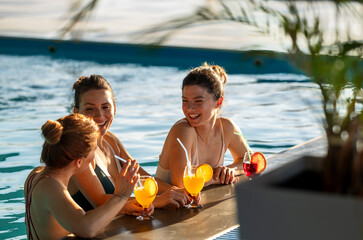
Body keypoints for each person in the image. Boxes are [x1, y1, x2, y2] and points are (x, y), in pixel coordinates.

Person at [68, 75, 190, 213]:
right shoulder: (78, 152)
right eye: (90, 109)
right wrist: (158, 201)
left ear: (114, 108)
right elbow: (99, 201)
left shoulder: (110, 141)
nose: (100, 115)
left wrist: (178, 192)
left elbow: (143, 178)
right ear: (76, 112)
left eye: (105, 107)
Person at [24, 114, 141, 239]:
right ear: (79, 162)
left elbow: (68, 219)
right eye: (94, 150)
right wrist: (120, 196)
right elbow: (87, 228)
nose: (95, 156)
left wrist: (123, 207)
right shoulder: (50, 186)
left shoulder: (36, 175)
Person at [155, 63, 249, 188]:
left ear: (219, 102)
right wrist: (215, 179)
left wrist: (230, 170)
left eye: (198, 101)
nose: (189, 108)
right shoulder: (183, 130)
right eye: (185, 101)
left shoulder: (227, 128)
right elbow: (182, 185)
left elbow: (250, 160)